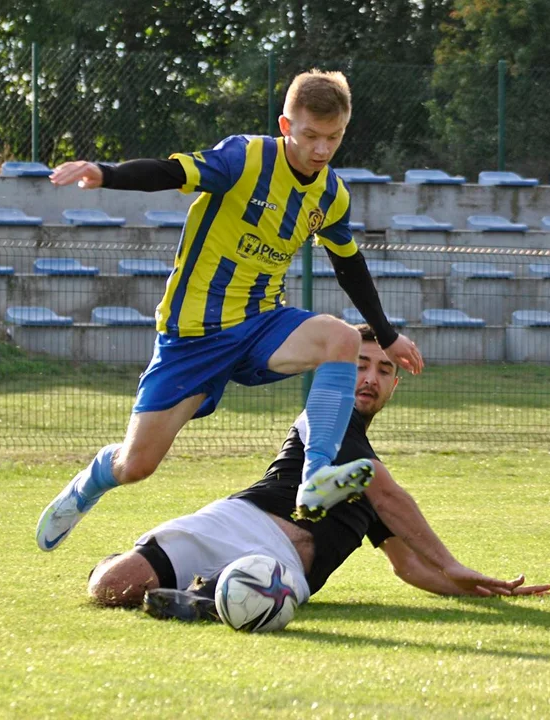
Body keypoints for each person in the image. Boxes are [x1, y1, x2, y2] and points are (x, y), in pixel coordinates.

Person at [36, 69, 424, 552]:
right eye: (310, 136)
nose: (322, 149)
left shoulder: (331, 194)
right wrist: (107, 173)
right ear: (286, 126)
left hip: (261, 322)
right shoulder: (245, 158)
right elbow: (173, 171)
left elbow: (350, 265)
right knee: (137, 465)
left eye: (334, 138)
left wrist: (385, 335)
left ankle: (316, 477)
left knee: (343, 338)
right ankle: (89, 483)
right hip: (193, 334)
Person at [87, 326, 550, 622]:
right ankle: (142, 569)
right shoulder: (323, 422)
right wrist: (451, 562)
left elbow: (407, 565)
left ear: (394, 384)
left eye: (383, 370)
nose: (369, 377)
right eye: (358, 365)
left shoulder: (368, 462)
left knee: (252, 606)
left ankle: (204, 596)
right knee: (113, 588)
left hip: (288, 576)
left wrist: (477, 588)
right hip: (238, 524)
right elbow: (387, 495)